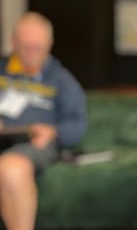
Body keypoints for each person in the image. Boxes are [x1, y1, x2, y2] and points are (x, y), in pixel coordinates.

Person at [0, 12, 87, 230]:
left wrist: (53, 132)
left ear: (49, 44)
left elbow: (78, 124)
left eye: (37, 48)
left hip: (32, 145)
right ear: (13, 42)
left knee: (11, 167)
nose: (31, 54)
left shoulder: (63, 81)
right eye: (25, 46)